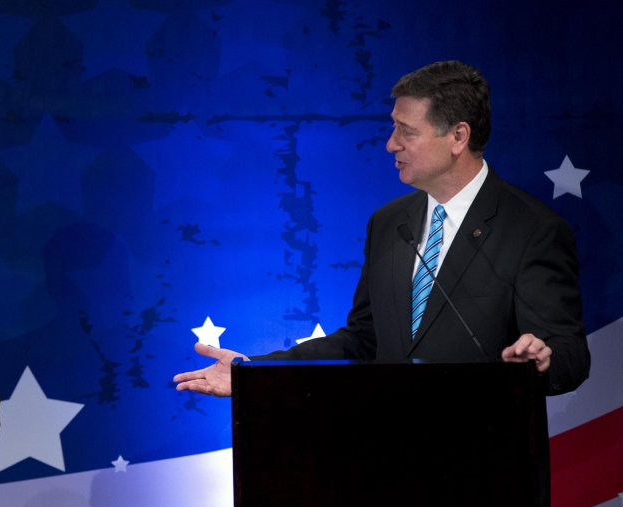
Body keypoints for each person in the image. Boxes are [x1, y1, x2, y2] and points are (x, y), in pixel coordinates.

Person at [174, 61, 590, 399]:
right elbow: (364, 339)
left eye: (406, 132)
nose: (391, 144)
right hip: (388, 462)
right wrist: (255, 370)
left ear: (458, 136)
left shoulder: (532, 228)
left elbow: (570, 354)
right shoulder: (390, 222)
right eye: (394, 128)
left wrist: (542, 360)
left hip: (487, 467)